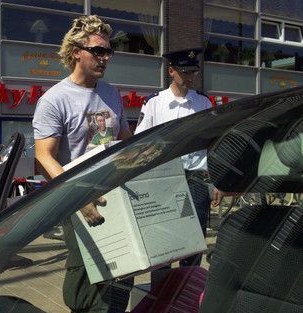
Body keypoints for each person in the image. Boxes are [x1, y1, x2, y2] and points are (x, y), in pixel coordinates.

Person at [33, 15, 133, 313]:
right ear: (77, 51)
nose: (105, 58)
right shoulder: (55, 99)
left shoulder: (111, 93)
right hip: (79, 198)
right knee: (89, 282)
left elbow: (126, 140)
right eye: (98, 51)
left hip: (116, 194)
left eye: (108, 51)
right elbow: (43, 156)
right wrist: (76, 196)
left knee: (122, 272)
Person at [134, 48, 221, 268]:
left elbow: (213, 144)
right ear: (171, 71)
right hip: (164, 178)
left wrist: (218, 179)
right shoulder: (154, 102)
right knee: (162, 240)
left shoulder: (203, 103)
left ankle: (187, 293)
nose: (190, 77)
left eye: (193, 72)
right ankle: (161, 293)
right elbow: (141, 144)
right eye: (185, 72)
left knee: (194, 241)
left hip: (197, 178)